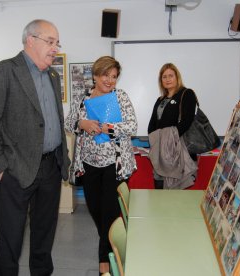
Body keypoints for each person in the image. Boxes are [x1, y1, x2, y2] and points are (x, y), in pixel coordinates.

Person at [0, 19, 70, 276]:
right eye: (50, 42)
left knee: (45, 231)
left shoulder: (52, 75)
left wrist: (65, 158)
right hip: (17, 169)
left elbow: (54, 121)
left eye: (56, 43)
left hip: (51, 167)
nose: (55, 48)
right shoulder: (4, 71)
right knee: (11, 237)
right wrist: (0, 169)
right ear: (31, 40)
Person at [64, 56, 137, 275]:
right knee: (97, 212)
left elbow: (132, 125)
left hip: (115, 166)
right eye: (106, 75)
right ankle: (110, 247)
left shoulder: (120, 96)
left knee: (110, 215)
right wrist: (82, 123)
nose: (110, 80)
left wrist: (109, 127)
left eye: (114, 77)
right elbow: (68, 123)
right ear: (95, 75)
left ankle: (104, 264)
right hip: (89, 165)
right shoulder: (82, 98)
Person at [147, 63, 198, 189]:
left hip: (177, 150)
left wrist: (168, 140)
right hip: (160, 152)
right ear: (161, 80)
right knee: (159, 189)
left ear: (177, 77)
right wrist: (155, 142)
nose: (168, 79)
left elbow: (186, 121)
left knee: (176, 196)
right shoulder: (160, 99)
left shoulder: (186, 94)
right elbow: (152, 124)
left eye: (171, 75)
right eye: (164, 77)